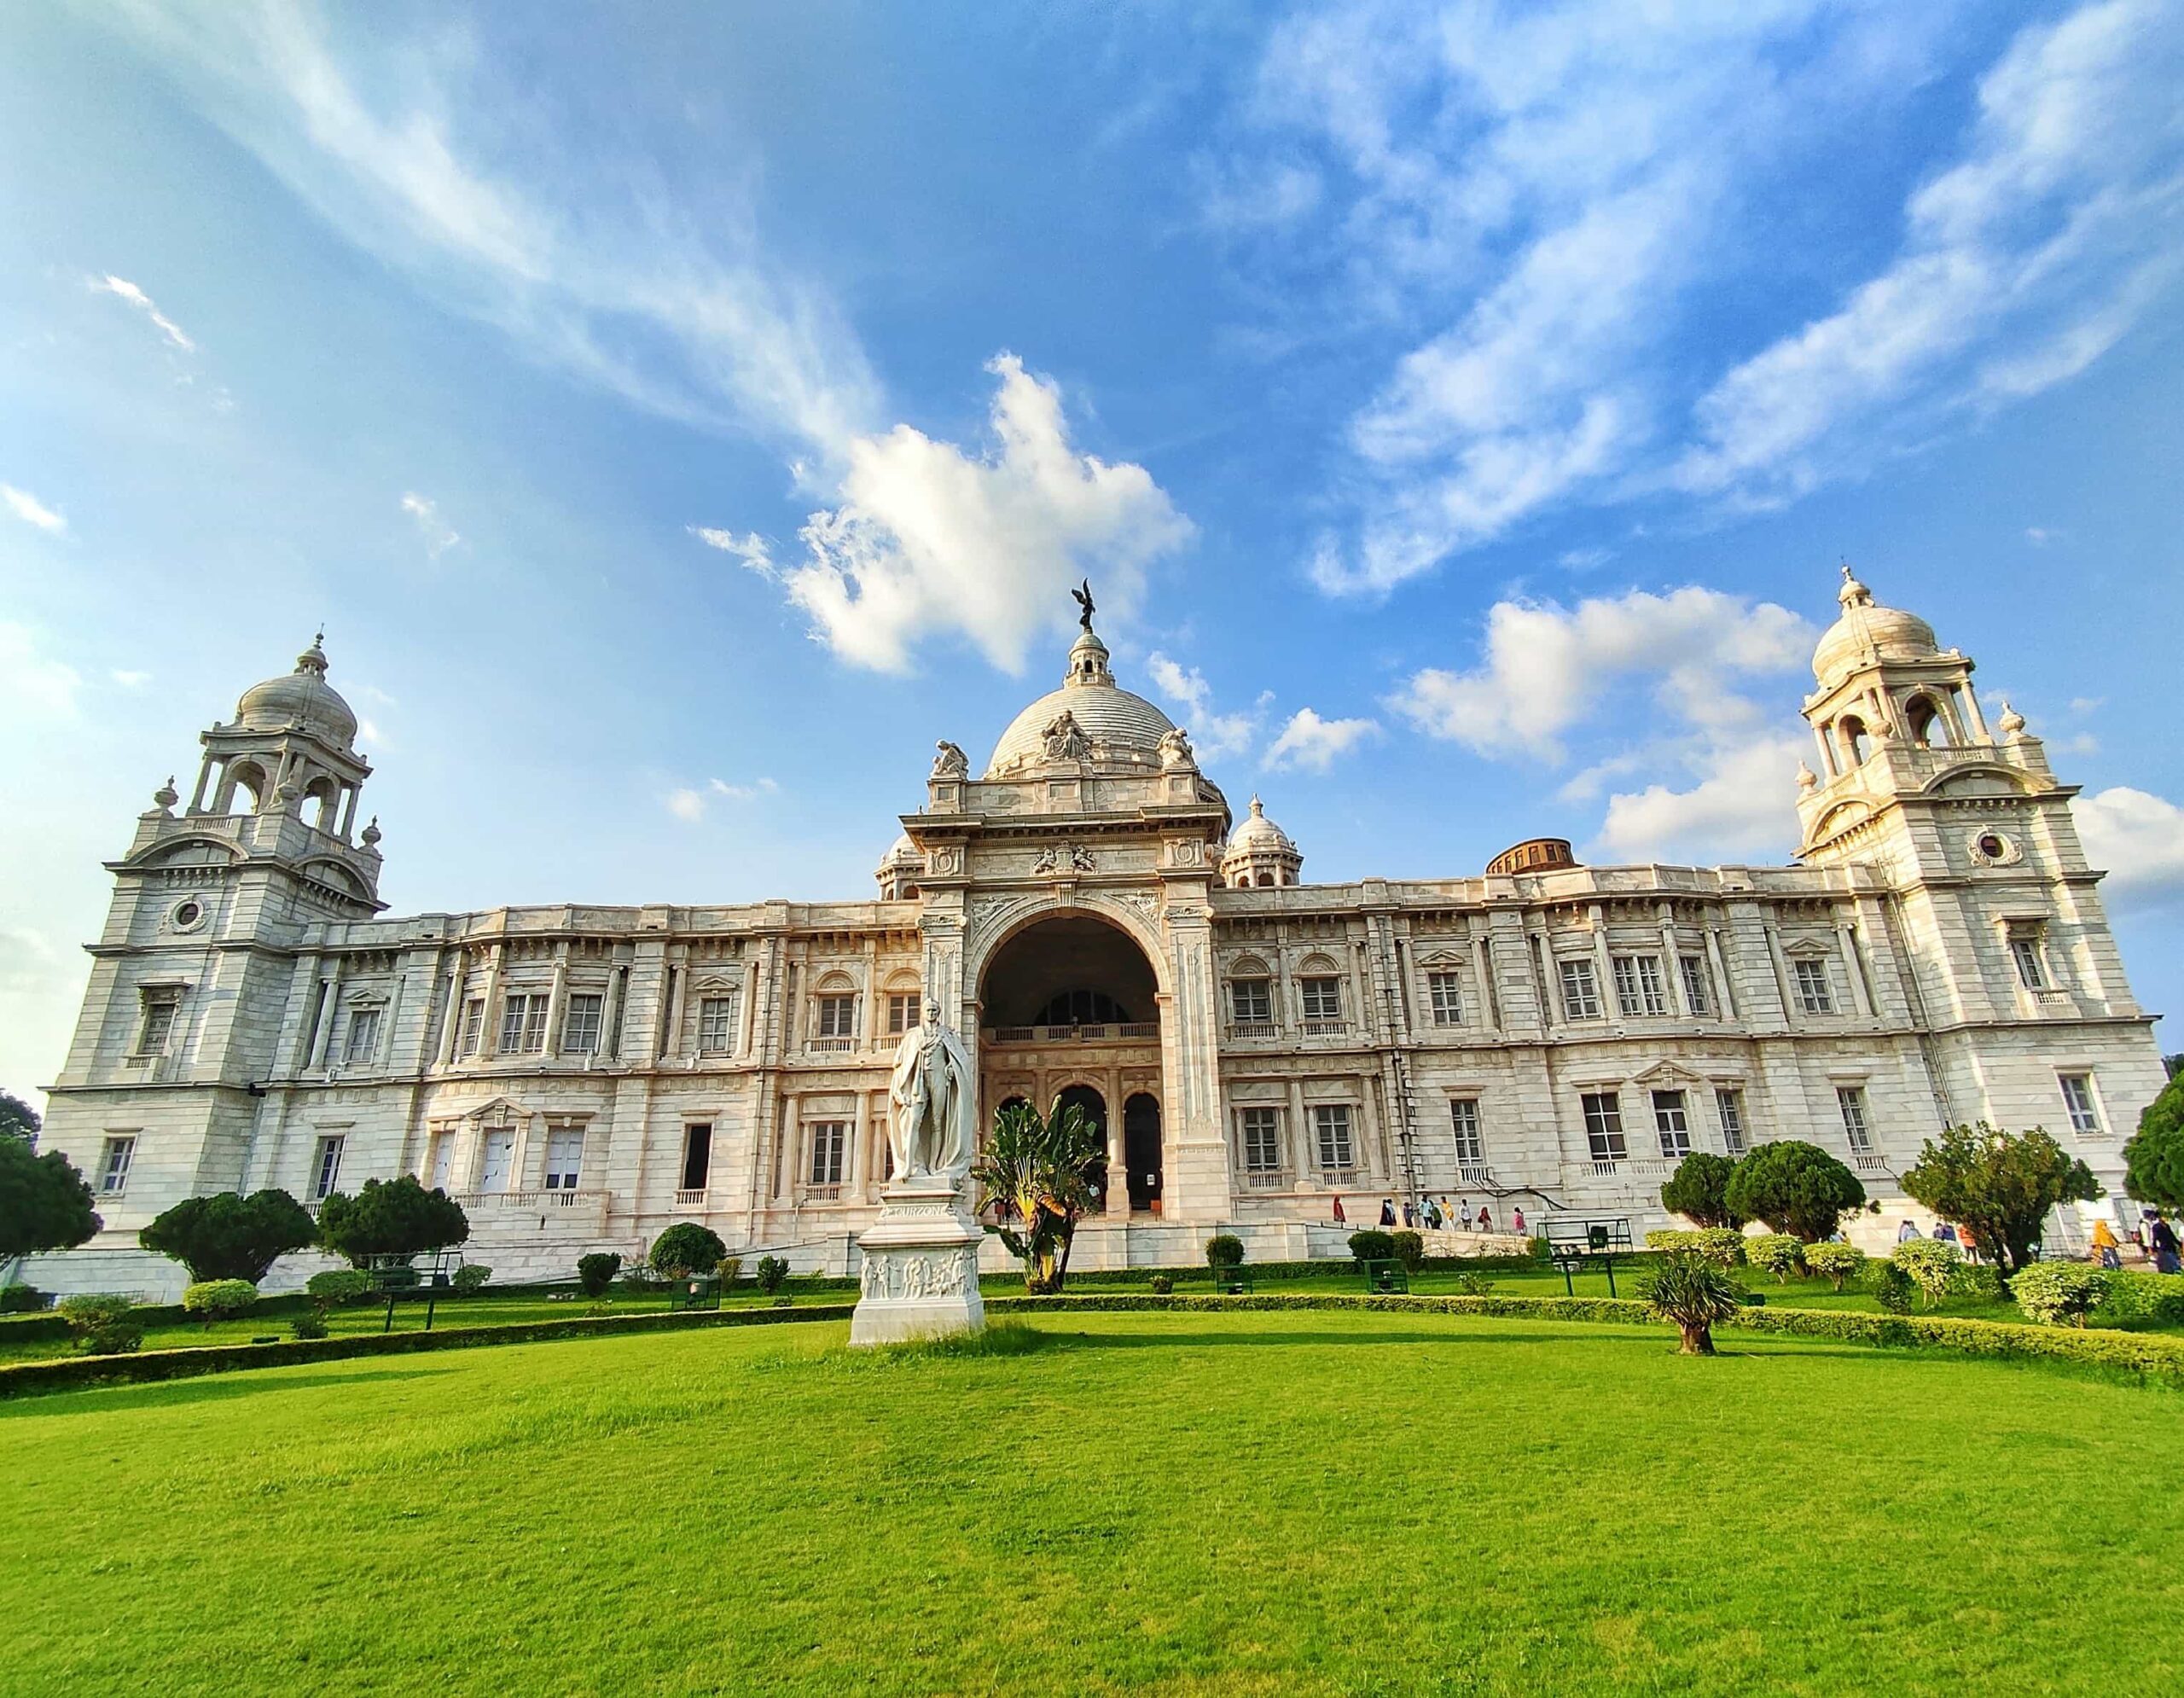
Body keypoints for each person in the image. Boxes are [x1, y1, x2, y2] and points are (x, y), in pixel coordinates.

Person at [2151, 1212, 2182, 1276]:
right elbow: (2155, 1238)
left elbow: (2172, 1236)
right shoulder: (2156, 1227)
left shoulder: (2167, 1226)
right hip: (2163, 1248)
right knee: (2171, 1263)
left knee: (2175, 1263)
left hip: (2171, 1246)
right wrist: (2154, 1249)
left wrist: (2179, 1244)